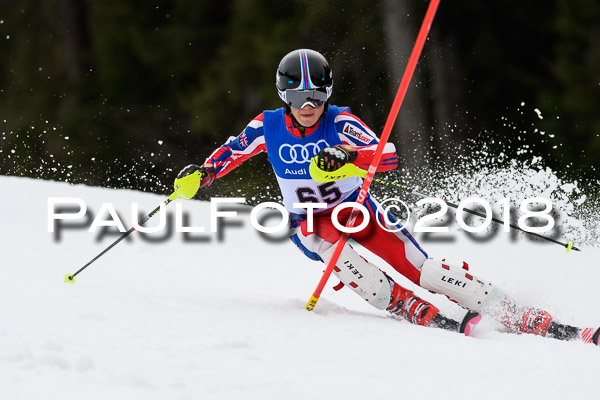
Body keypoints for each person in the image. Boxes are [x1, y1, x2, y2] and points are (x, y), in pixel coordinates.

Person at [177, 49, 599, 344]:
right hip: (309, 220)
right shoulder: (267, 126)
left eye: (317, 95)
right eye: (297, 96)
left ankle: (519, 314)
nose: (308, 105)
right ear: (283, 95)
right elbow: (231, 152)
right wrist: (203, 174)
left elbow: (387, 155)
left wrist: (347, 155)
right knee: (338, 255)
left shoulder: (340, 121)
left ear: (328, 93)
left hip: (358, 209)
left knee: (425, 269)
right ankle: (406, 305)